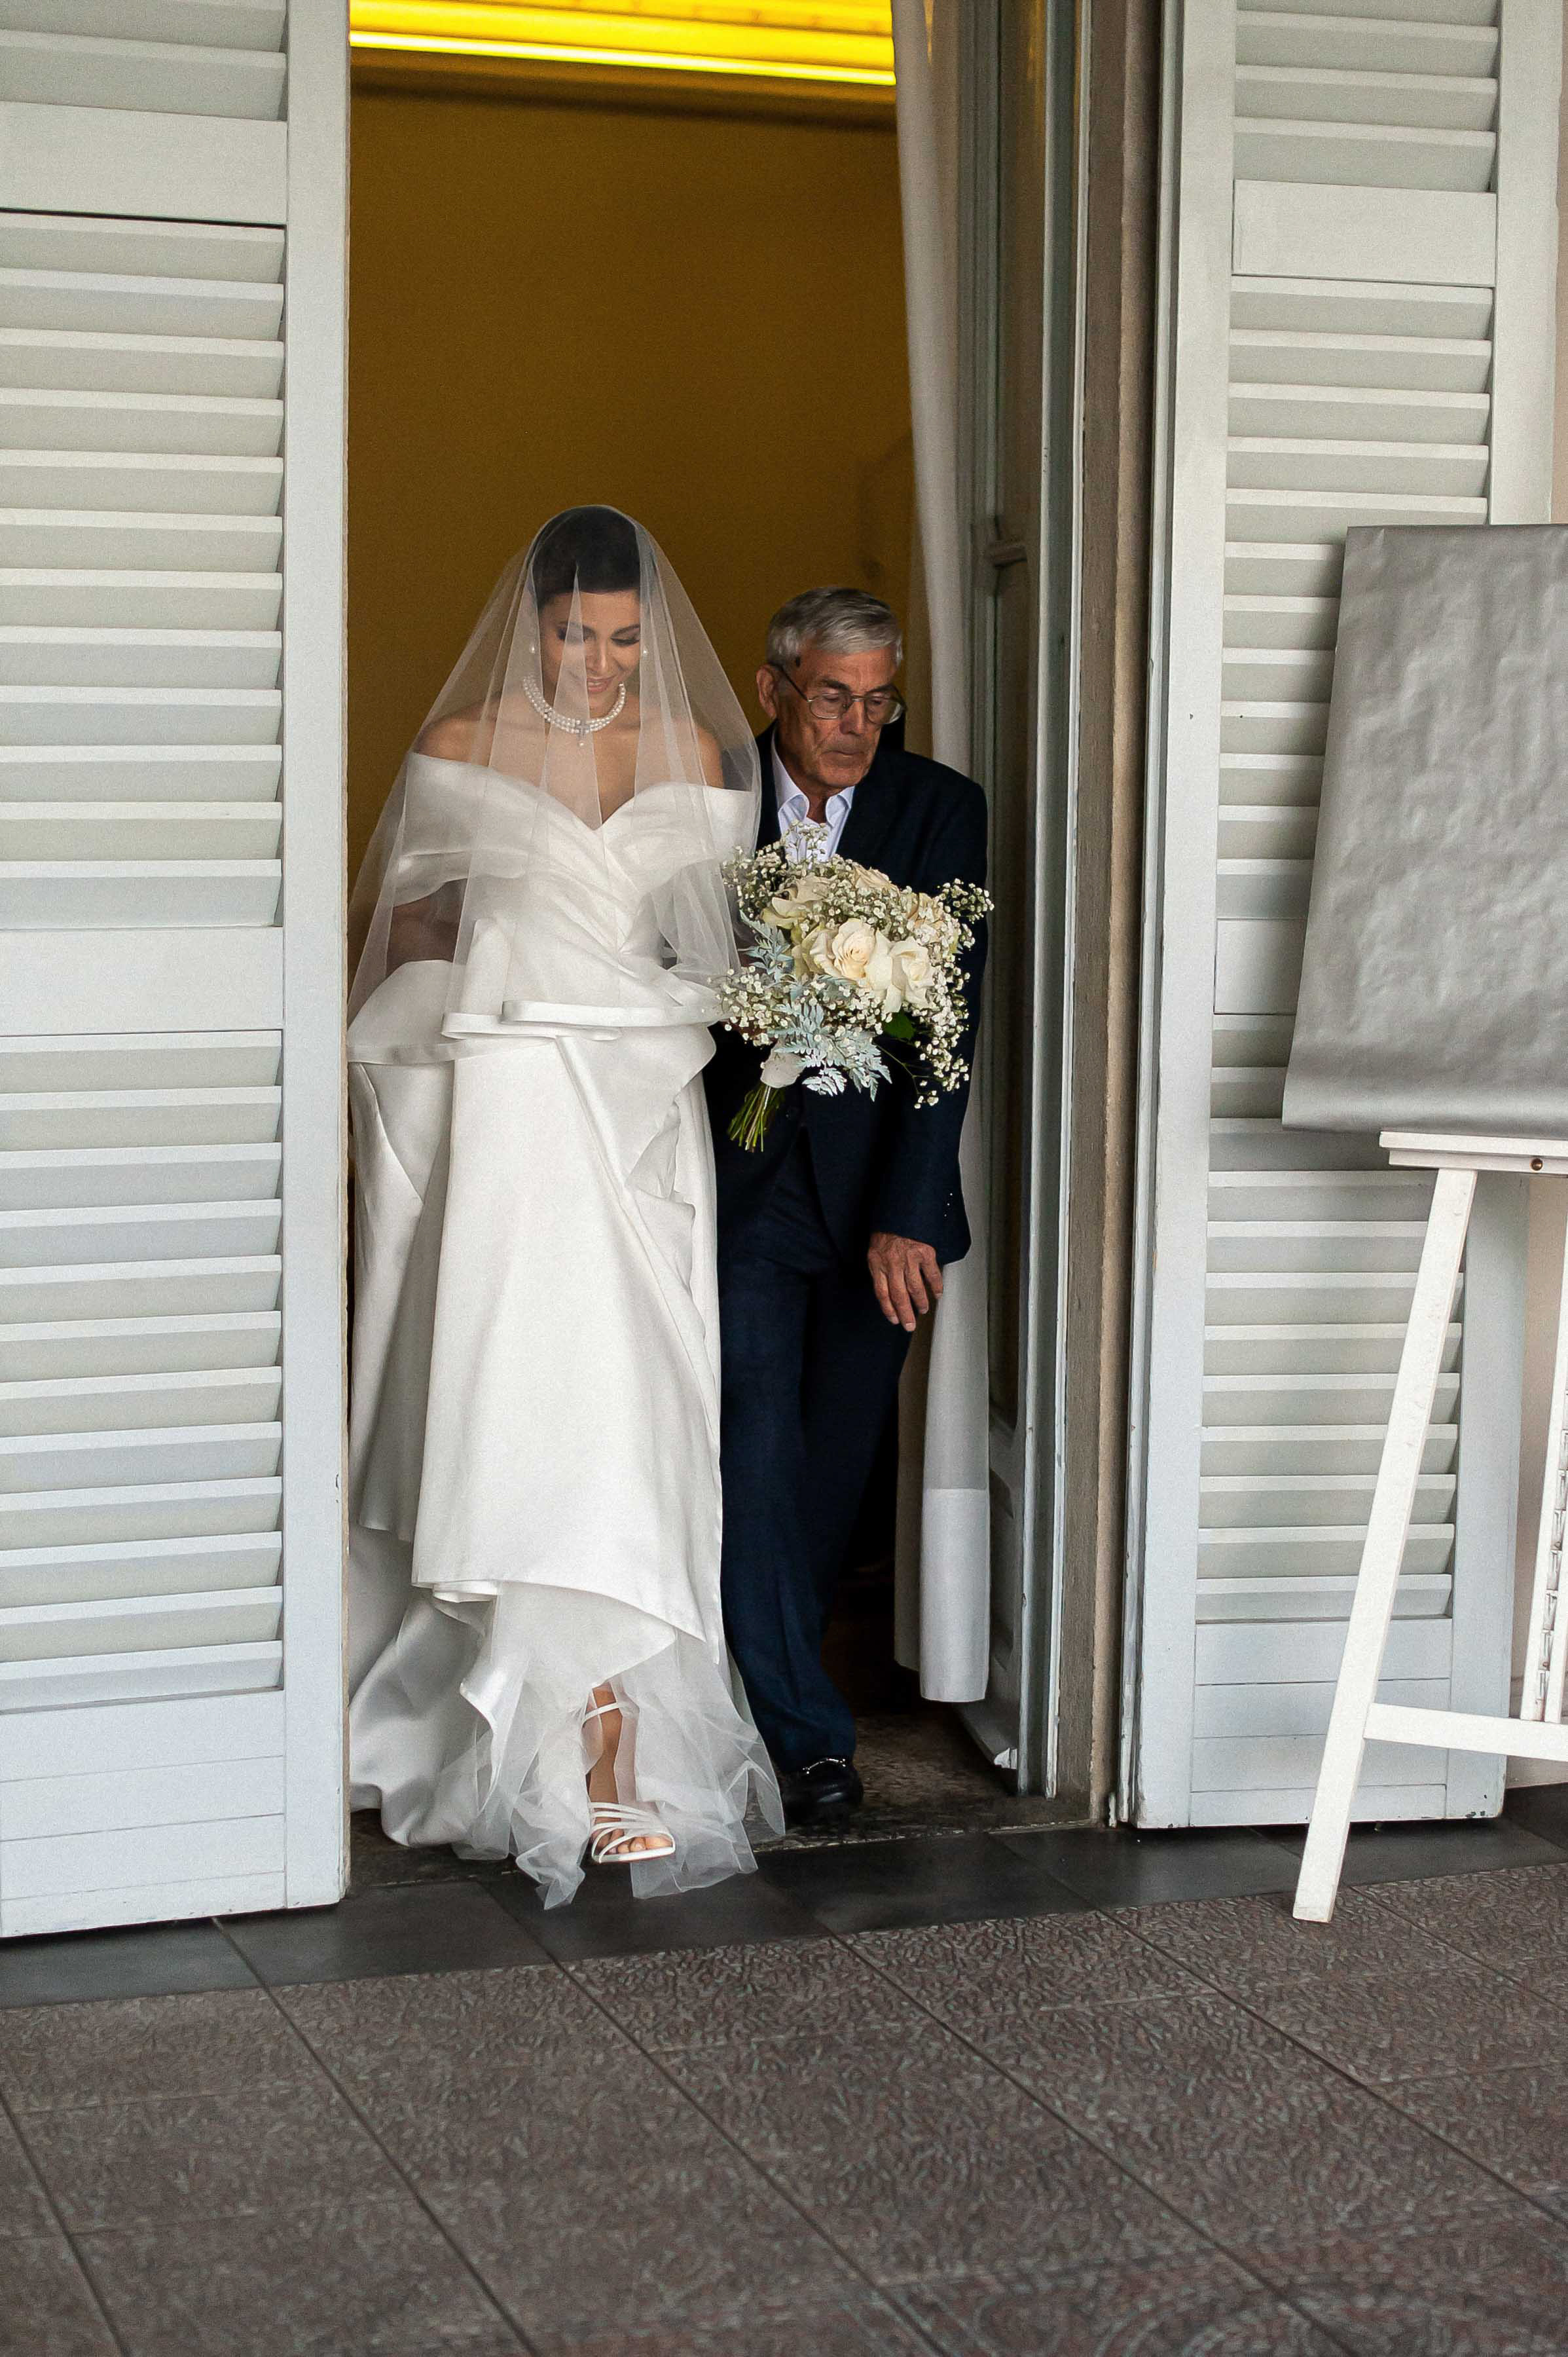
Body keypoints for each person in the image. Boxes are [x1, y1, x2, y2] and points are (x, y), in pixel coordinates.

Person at [346, 506, 783, 1906]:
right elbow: (411, 923)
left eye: (622, 641)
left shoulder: (697, 756)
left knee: (637, 1407)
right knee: (524, 1392)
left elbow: (716, 933)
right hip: (519, 1098)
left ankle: (624, 1754)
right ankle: (543, 1761)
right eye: (575, 635)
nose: (598, 664)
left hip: (643, 1103)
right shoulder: (465, 750)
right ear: (531, 622)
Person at [704, 587, 989, 1828]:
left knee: (835, 1469)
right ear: (775, 688)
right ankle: (812, 1740)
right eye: (833, 697)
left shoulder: (941, 810)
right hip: (742, 1183)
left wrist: (911, 1210)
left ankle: (761, 1686)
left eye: (880, 701)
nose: (857, 726)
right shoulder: (701, 795)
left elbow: (945, 1024)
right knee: (755, 1455)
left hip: (883, 1202)